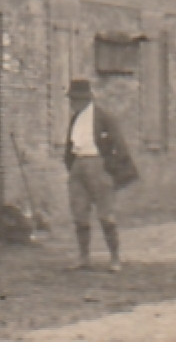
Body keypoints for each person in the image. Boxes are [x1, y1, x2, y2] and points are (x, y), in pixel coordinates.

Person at [63, 78, 138, 272]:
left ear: (88, 99)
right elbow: (69, 148)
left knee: (106, 215)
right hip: (78, 165)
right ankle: (84, 257)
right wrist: (72, 167)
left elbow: (119, 146)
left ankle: (115, 258)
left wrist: (111, 171)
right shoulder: (75, 119)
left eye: (77, 99)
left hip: (99, 166)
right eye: (72, 99)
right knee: (79, 213)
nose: (74, 103)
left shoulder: (104, 118)